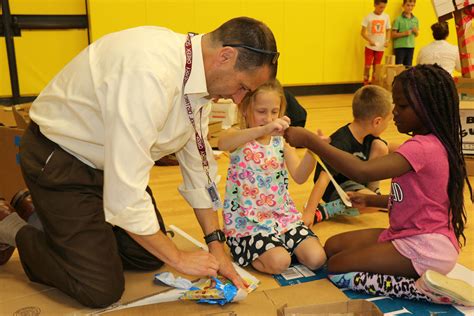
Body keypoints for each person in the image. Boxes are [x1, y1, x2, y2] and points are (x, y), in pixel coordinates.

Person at [0, 17, 279, 308]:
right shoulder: (149, 73)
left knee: (147, 255)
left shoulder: (198, 81)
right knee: (99, 288)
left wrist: (215, 245)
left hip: (108, 165)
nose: (237, 100)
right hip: (60, 162)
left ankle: (53, 218)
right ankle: (12, 226)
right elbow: (126, 194)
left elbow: (199, 165)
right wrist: (179, 258)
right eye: (243, 87)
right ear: (225, 56)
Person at [284, 64, 472, 300]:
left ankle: (420, 289)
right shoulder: (431, 143)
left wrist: (312, 141)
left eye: (402, 106)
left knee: (337, 267)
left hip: (425, 248)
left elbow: (361, 171)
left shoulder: (422, 148)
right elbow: (419, 198)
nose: (395, 112)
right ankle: (415, 276)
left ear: (428, 109)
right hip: (408, 234)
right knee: (331, 246)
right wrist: (372, 199)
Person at [218, 80, 326, 275]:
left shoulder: (281, 143)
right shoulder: (238, 136)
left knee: (317, 259)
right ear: (244, 109)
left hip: (282, 217)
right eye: (261, 111)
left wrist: (314, 150)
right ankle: (246, 249)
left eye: (274, 112)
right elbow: (223, 142)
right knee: (280, 262)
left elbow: (300, 176)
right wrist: (263, 130)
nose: (269, 118)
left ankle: (276, 247)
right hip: (248, 224)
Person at [303, 85, 392, 227]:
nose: (389, 124)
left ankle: (372, 193)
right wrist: (309, 211)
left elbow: (389, 148)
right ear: (377, 122)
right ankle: (324, 210)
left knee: (381, 147)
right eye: (388, 121)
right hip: (335, 187)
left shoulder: (369, 135)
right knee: (373, 204)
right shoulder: (341, 141)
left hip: (355, 181)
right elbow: (323, 179)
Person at [361, 0, 391, 85]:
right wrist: (370, 40)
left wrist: (387, 41)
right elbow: (362, 33)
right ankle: (365, 83)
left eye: (384, 7)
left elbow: (388, 30)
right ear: (375, 5)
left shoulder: (386, 17)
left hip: (380, 48)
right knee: (367, 66)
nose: (382, 9)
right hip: (370, 47)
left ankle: (374, 84)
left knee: (376, 67)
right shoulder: (368, 17)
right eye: (380, 7)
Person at [392, 0, 419, 67]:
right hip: (400, 47)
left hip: (411, 47)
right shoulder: (398, 19)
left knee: (408, 68)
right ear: (403, 6)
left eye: (412, 5)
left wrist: (416, 31)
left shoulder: (415, 19)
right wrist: (404, 33)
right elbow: (393, 34)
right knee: (399, 67)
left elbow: (417, 34)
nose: (410, 8)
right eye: (408, 5)